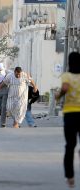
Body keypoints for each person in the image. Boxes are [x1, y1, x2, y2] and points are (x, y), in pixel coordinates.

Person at [55, 52, 80, 188]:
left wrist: (58, 96)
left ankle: (70, 177)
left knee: (70, 146)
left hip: (70, 114)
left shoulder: (67, 75)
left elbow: (65, 88)